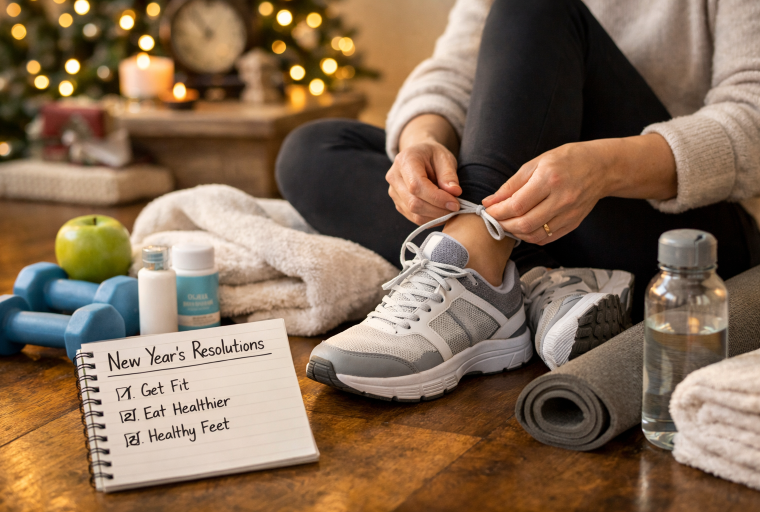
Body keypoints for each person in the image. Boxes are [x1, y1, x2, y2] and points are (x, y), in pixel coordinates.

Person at [277, 0, 760, 400]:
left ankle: (471, 269)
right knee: (314, 149)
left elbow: (752, 116)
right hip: (540, 203)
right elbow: (453, 72)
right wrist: (421, 142)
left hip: (678, 229)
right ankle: (533, 282)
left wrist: (606, 167)